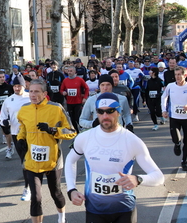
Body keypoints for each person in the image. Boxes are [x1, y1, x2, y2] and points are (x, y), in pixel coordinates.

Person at [65, 92, 164, 223]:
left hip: (124, 209)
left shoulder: (132, 140)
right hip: (95, 209)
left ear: (119, 112)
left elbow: (158, 177)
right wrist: (71, 189)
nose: (105, 116)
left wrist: (138, 179)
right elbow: (70, 160)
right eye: (101, 111)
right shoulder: (84, 138)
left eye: (110, 111)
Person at [17, 79, 77, 223]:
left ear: (44, 94)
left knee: (55, 193)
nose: (33, 94)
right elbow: (22, 128)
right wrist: (20, 139)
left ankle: (61, 218)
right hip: (32, 160)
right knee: (36, 198)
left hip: (52, 160)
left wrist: (52, 130)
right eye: (30, 91)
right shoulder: (24, 109)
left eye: (37, 91)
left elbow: (71, 131)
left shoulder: (55, 108)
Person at [0, 76, 31, 200]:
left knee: (32, 160)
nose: (17, 88)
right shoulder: (9, 100)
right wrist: (5, 123)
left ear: (24, 86)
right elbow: (2, 117)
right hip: (16, 134)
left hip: (31, 133)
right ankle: (28, 188)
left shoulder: (30, 97)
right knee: (24, 161)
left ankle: (32, 185)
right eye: (15, 86)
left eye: (19, 86)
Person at [161, 66, 187, 171]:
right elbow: (164, 97)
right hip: (174, 117)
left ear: (184, 75)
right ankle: (177, 144)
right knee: (176, 138)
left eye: (179, 74)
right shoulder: (170, 86)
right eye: (176, 75)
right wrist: (164, 110)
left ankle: (184, 161)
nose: (177, 77)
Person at [60, 65, 89, 133]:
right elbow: (61, 89)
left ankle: (82, 129)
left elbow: (86, 88)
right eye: (68, 71)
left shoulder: (79, 79)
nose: (69, 72)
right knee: (72, 119)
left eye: (71, 71)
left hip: (78, 102)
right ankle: (76, 132)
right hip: (69, 102)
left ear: (75, 72)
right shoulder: (65, 80)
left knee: (77, 117)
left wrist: (85, 98)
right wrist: (63, 92)